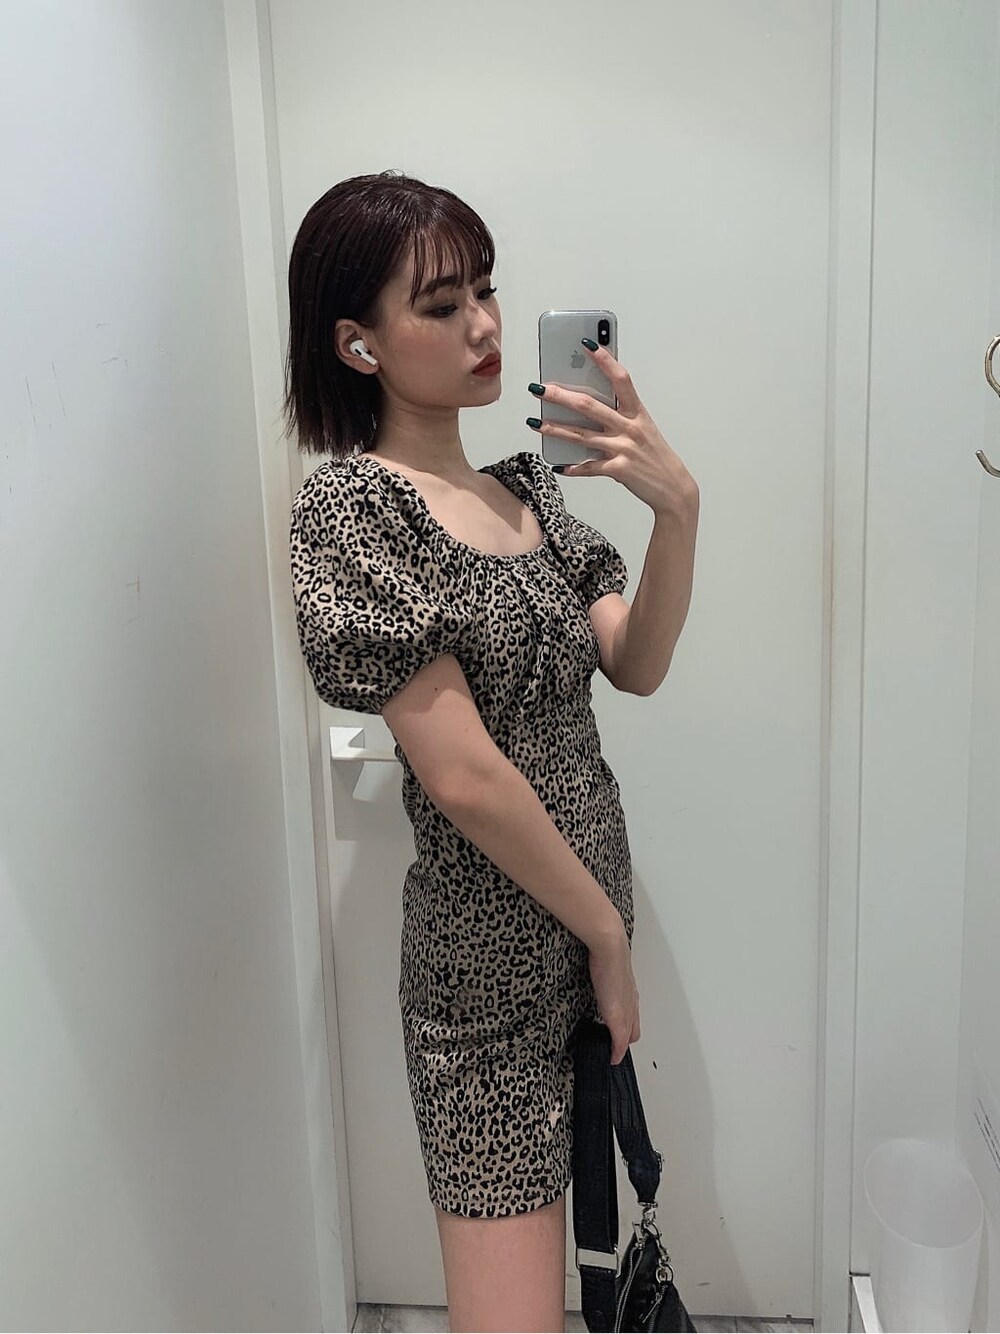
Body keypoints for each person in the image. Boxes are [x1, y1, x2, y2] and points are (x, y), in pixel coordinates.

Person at [284, 170, 699, 1333]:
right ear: (358, 344)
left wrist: (677, 510)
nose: (482, 325)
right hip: (487, 974)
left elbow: (636, 661)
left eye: (485, 290)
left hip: (583, 926)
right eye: (440, 303)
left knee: (587, 1270)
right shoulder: (355, 512)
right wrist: (605, 935)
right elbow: (463, 775)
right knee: (511, 1314)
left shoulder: (529, 494)